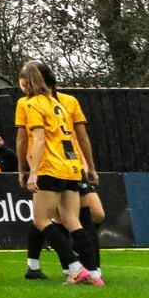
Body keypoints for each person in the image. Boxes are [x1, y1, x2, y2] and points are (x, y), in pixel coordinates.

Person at [15, 59, 92, 285]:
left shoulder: (30, 104)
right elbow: (79, 136)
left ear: (26, 82)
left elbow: (36, 139)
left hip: (50, 166)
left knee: (40, 219)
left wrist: (32, 172)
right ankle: (93, 271)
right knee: (71, 220)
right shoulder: (57, 103)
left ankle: (75, 268)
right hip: (71, 167)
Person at [50, 67, 108, 285]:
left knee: (96, 214)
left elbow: (81, 137)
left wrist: (89, 165)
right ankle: (77, 268)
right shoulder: (31, 105)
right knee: (56, 218)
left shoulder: (69, 102)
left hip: (75, 165)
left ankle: (86, 265)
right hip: (53, 167)